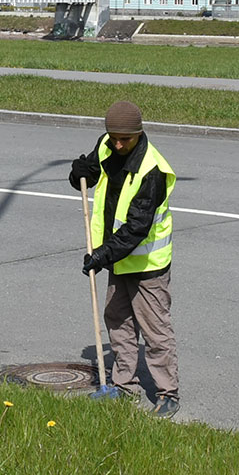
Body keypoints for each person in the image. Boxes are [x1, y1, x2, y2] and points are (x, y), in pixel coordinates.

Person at [69, 100, 179, 417]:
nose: (118, 144)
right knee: (118, 321)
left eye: (124, 140)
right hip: (118, 260)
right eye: (113, 137)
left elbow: (136, 229)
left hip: (148, 265)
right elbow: (89, 172)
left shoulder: (152, 171)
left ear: (139, 133)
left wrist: (100, 256)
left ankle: (168, 392)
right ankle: (123, 386)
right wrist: (78, 174)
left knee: (156, 331)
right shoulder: (107, 145)